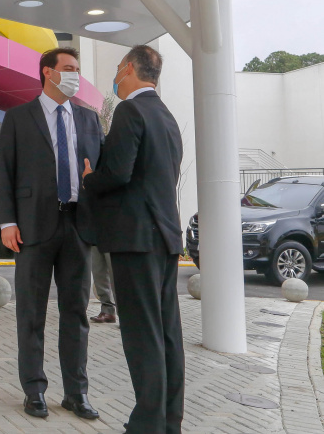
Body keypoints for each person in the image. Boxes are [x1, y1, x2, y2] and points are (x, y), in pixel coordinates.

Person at [0, 47, 103, 420]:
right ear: (48, 72)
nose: (75, 75)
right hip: (32, 227)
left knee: (76, 312)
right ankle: (34, 390)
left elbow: (102, 172)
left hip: (78, 226)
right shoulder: (18, 117)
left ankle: (76, 392)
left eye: (77, 69)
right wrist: (7, 222)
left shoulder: (89, 119)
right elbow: (4, 172)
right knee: (31, 313)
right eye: (69, 68)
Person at [82, 45, 184, 434]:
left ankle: (146, 425)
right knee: (167, 335)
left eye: (117, 68)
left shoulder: (130, 111)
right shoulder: (167, 116)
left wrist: (90, 178)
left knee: (143, 337)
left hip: (136, 240)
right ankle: (169, 422)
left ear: (128, 69)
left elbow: (118, 173)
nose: (115, 76)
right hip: (165, 238)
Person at [90, 248, 116, 324]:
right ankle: (107, 310)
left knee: (116, 273)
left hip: (115, 242)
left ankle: (125, 315)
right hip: (95, 241)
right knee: (98, 272)